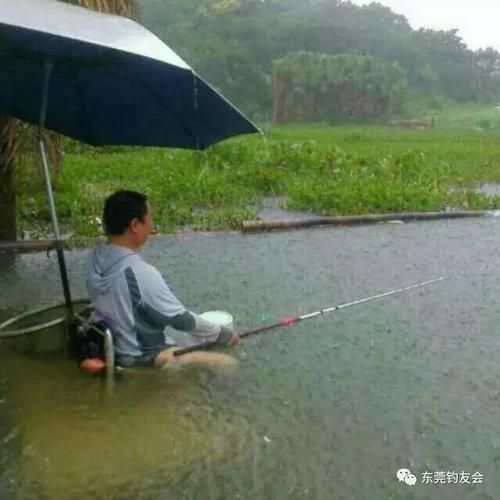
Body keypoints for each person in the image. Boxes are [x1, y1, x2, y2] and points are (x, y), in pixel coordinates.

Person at [85, 190, 239, 370]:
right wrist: (224, 334)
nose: (152, 226)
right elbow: (181, 319)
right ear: (135, 225)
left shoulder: (95, 257)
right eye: (149, 219)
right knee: (227, 363)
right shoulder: (140, 273)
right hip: (141, 356)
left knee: (192, 337)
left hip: (113, 346)